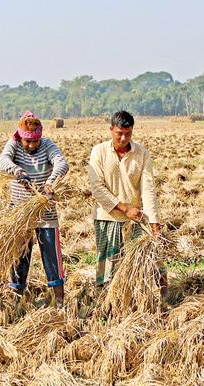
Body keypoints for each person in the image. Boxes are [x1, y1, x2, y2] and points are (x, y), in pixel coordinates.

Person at [0, 111, 70, 306]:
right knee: (19, 256)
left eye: (34, 142)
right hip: (20, 212)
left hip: (45, 211)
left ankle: (59, 301)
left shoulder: (47, 145)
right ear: (20, 137)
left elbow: (61, 162)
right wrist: (17, 170)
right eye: (27, 142)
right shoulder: (13, 143)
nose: (30, 145)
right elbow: (2, 161)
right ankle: (16, 299)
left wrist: (51, 182)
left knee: (52, 257)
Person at [88, 110, 163, 289]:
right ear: (111, 130)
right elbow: (97, 188)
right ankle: (104, 306)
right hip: (107, 218)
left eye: (127, 134)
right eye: (119, 133)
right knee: (106, 271)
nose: (123, 138)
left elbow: (148, 189)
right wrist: (124, 208)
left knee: (139, 268)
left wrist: (154, 223)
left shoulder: (142, 153)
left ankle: (134, 305)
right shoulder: (99, 151)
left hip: (136, 220)